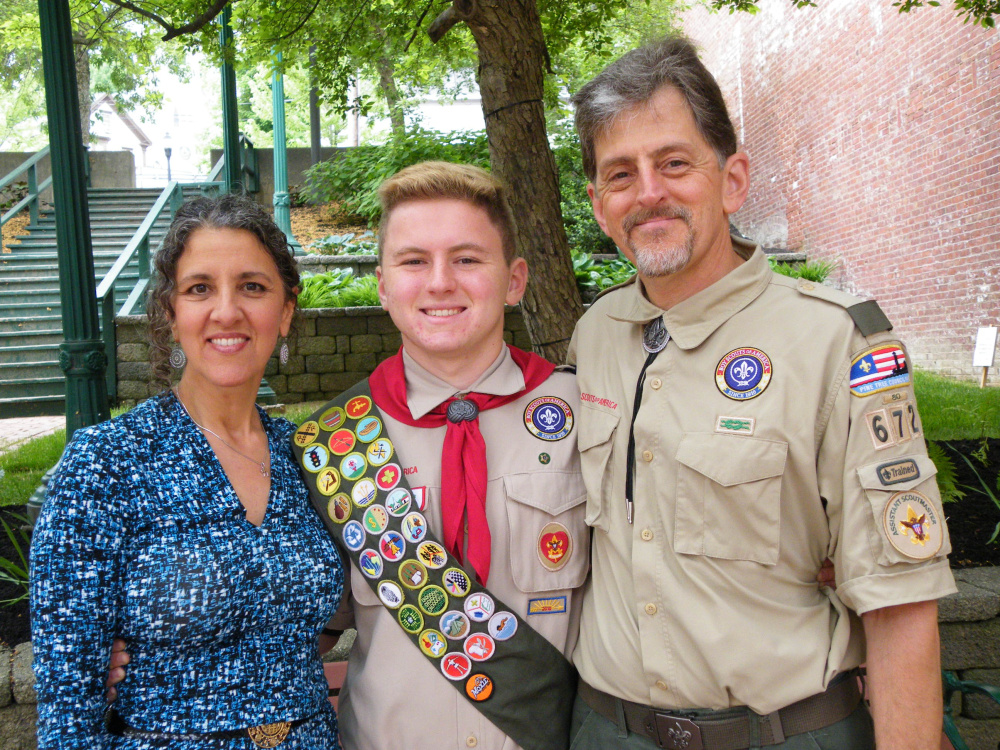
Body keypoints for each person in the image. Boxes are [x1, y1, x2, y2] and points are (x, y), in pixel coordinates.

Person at [566, 36, 957, 750]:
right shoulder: (594, 336)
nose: (648, 191)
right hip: (605, 730)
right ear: (598, 205)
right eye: (621, 174)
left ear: (733, 179)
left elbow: (899, 603)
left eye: (674, 163)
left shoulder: (837, 343)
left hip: (782, 734)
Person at [30, 194, 345, 749]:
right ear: (172, 315)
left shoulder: (310, 457)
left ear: (287, 312)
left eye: (253, 286)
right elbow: (67, 708)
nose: (227, 311)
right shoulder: (106, 463)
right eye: (200, 288)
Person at [293, 161, 589, 750]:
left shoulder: (585, 413)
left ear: (515, 279)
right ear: (383, 284)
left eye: (467, 259)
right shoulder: (332, 441)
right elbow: (299, 617)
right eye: (413, 261)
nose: (439, 282)